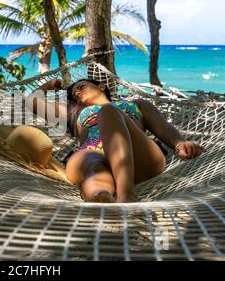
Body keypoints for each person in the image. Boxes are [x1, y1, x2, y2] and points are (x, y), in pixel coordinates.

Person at [26, 78, 206, 203]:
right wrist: (49, 85)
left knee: (107, 111)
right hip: (92, 154)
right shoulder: (75, 113)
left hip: (137, 158)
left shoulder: (137, 104)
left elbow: (162, 127)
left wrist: (179, 143)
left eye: (81, 86)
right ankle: (101, 197)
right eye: (73, 94)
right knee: (94, 166)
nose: (77, 93)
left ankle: (125, 193)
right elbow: (31, 102)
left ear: (101, 86)